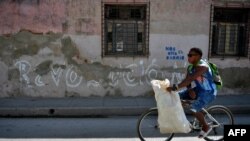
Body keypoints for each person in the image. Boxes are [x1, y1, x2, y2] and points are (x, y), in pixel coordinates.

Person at [166, 47, 217, 138]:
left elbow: (190, 79)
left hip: (208, 92)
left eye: (190, 55)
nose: (188, 57)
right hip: (198, 89)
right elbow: (187, 81)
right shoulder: (190, 67)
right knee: (176, 96)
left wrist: (175, 87)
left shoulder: (203, 66)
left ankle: (206, 126)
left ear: (198, 56)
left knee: (194, 108)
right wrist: (190, 90)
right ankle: (186, 117)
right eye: (188, 55)